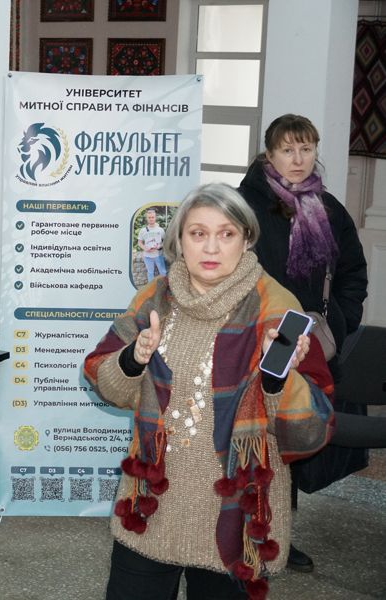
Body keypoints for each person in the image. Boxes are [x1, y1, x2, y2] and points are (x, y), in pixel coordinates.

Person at [83, 184, 335, 600]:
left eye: (226, 233)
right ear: (179, 241)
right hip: (150, 505)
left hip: (235, 512)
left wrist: (276, 379)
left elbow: (311, 431)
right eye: (198, 233)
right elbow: (103, 378)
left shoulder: (277, 308)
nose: (211, 247)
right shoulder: (153, 299)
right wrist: (133, 358)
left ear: (246, 238)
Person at [238, 114, 369, 572]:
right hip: (262, 332)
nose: (298, 159)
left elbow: (353, 272)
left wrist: (341, 320)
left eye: (306, 149)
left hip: (309, 333)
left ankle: (278, 532)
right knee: (256, 432)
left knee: (292, 432)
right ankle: (244, 528)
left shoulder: (327, 208)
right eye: (287, 150)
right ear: (269, 154)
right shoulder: (243, 205)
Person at [137, 208, 167, 282]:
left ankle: (165, 287)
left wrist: (159, 246)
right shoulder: (143, 230)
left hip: (158, 255)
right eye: (149, 217)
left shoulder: (160, 230)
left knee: (163, 272)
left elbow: (165, 242)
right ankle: (151, 287)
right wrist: (145, 248)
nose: (151, 219)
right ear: (147, 218)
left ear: (155, 217)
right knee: (150, 273)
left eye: (152, 217)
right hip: (147, 256)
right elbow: (139, 242)